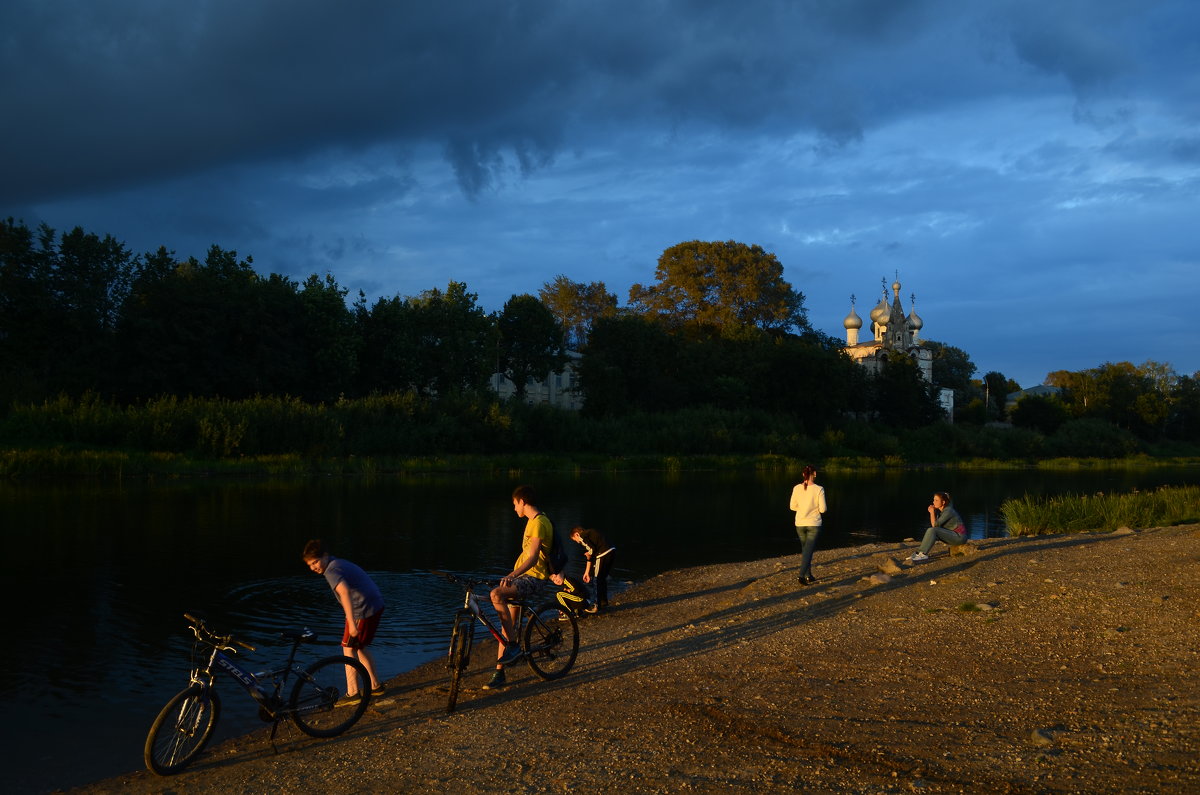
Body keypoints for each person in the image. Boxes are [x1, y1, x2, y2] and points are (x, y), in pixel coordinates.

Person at [485, 485, 554, 690]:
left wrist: (511, 575)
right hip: (523, 578)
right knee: (507, 625)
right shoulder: (533, 521)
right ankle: (500, 673)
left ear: (522, 501)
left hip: (533, 578)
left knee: (496, 594)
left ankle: (514, 647)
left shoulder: (539, 523)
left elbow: (533, 558)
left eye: (515, 504)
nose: (514, 508)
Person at [302, 539, 385, 702]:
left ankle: (353, 693)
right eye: (310, 565)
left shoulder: (331, 570)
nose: (314, 567)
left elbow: (345, 593)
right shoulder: (336, 563)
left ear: (325, 556)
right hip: (373, 604)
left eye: (316, 562)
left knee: (348, 648)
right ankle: (375, 686)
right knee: (359, 646)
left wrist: (352, 623)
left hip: (363, 609)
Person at [789, 465, 826, 584]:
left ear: (803, 475)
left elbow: (792, 507)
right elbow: (823, 510)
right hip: (813, 524)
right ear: (814, 474)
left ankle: (808, 575)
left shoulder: (796, 488)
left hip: (799, 523)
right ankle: (801, 576)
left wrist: (803, 508)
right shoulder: (819, 489)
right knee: (808, 551)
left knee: (806, 550)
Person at [908, 492, 966, 563]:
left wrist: (932, 512)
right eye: (933, 500)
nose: (933, 502)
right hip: (953, 535)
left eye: (936, 500)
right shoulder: (942, 511)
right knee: (932, 531)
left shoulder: (948, 511)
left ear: (943, 502)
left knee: (932, 530)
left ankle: (922, 554)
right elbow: (936, 526)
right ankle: (919, 553)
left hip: (959, 537)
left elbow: (934, 526)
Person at [571, 526, 615, 613]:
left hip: (602, 554)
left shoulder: (583, 537)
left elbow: (591, 550)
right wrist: (587, 572)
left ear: (577, 534)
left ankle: (596, 605)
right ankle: (603, 602)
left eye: (575, 540)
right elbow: (591, 556)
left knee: (596, 579)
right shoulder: (591, 534)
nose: (577, 542)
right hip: (612, 551)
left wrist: (589, 553)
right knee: (602, 578)